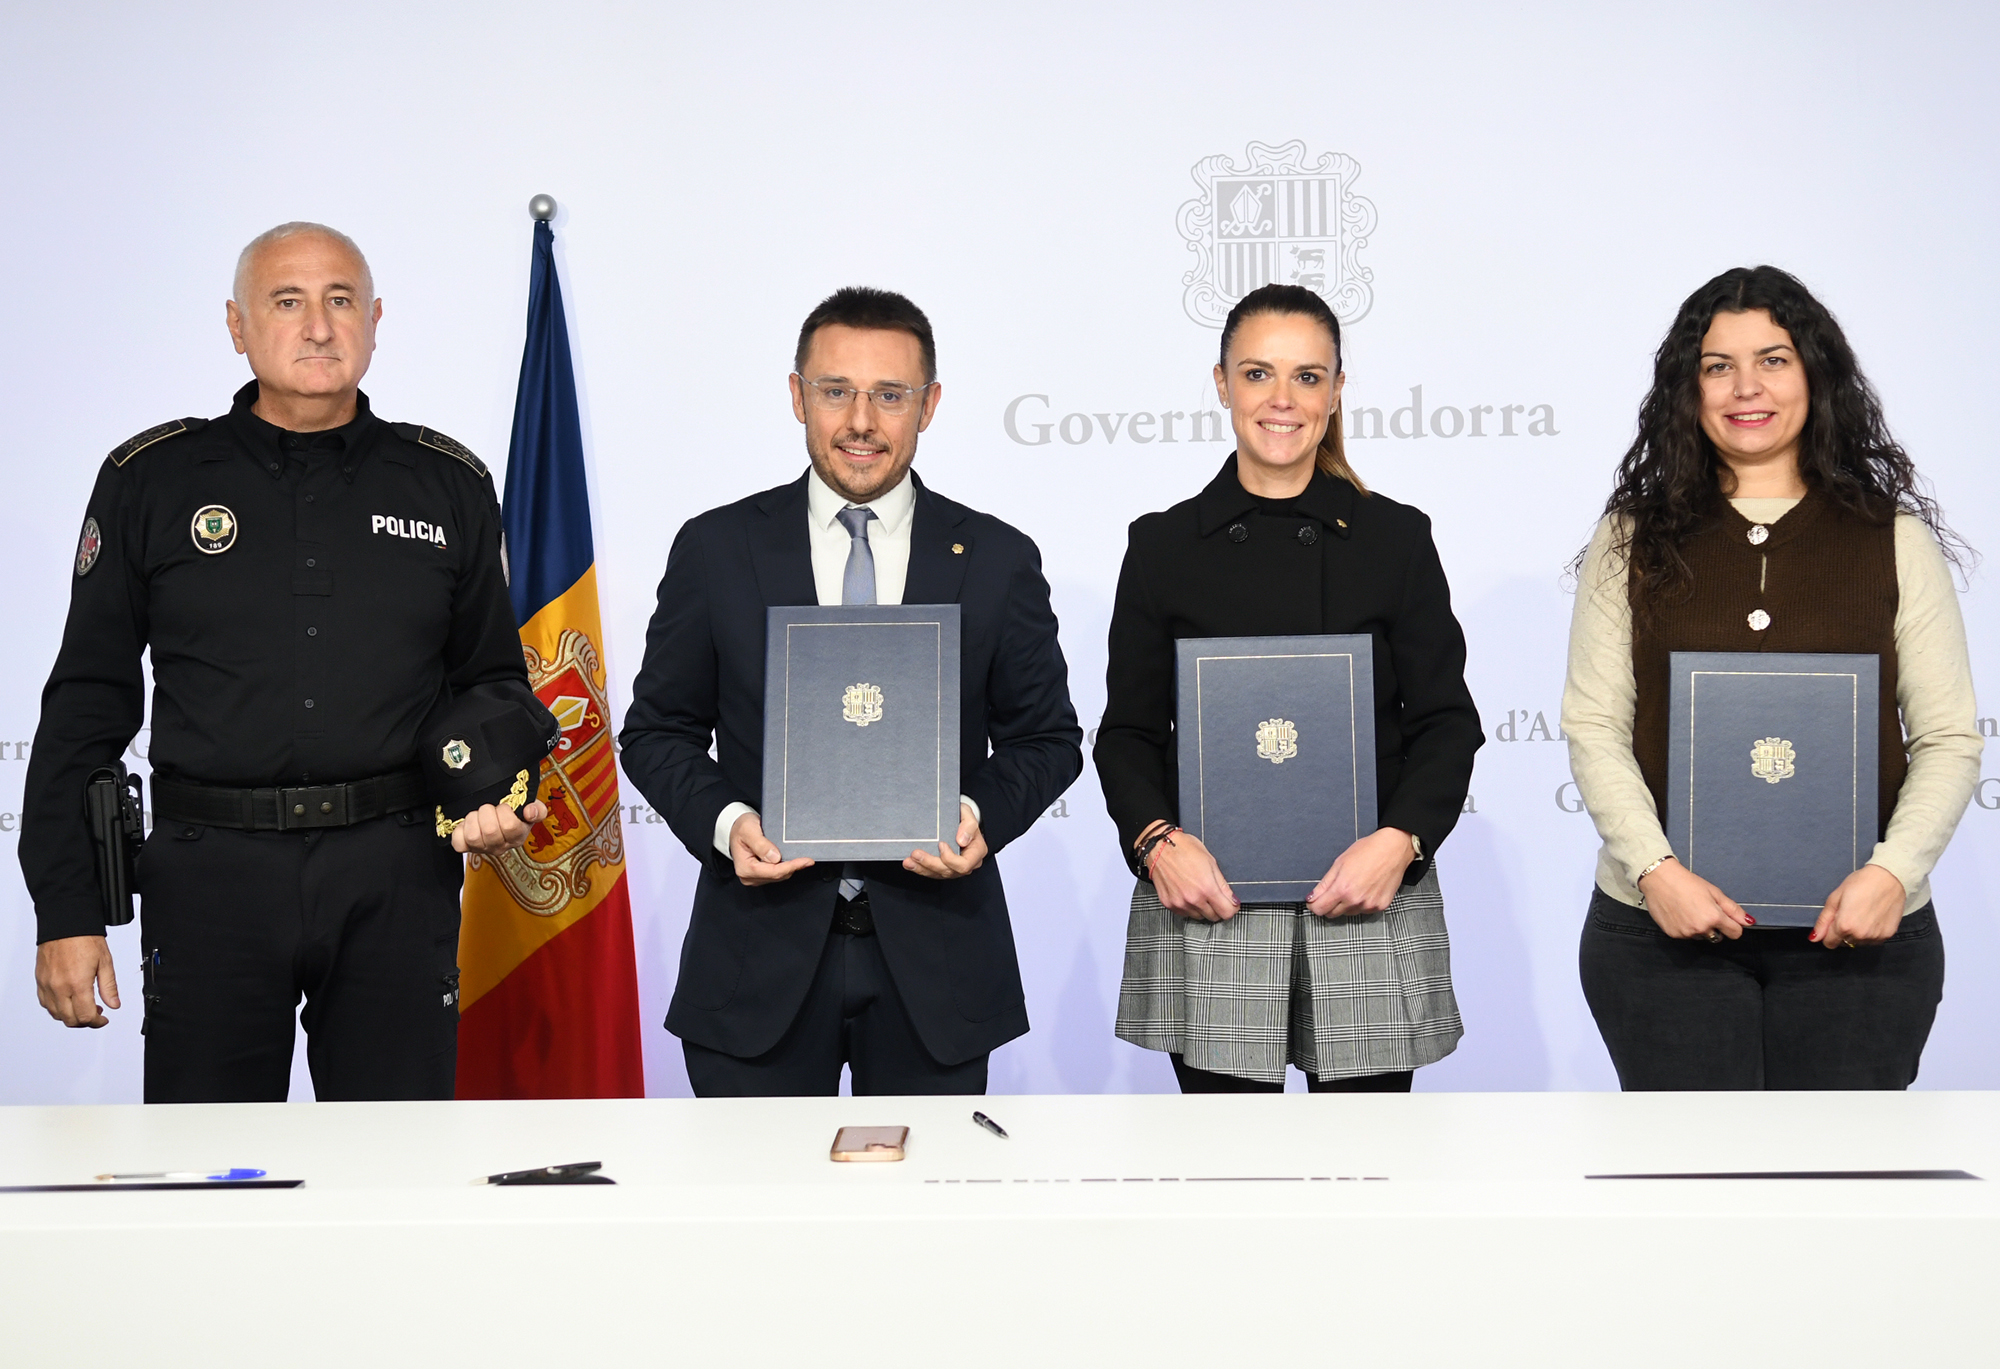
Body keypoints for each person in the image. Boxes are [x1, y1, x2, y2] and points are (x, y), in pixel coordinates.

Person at [21, 222, 548, 1102]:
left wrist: (497, 789)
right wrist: (66, 910)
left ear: (375, 320)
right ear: (237, 324)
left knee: (393, 1171)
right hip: (209, 876)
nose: (318, 326)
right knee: (206, 1178)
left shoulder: (448, 483)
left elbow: (492, 681)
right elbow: (84, 708)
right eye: (287, 301)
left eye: (340, 301)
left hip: (393, 873)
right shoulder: (150, 479)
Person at [619, 286, 1082, 1097]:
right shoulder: (717, 548)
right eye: (836, 391)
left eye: (890, 395)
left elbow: (1048, 739)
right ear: (797, 395)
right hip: (754, 960)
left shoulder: (998, 558)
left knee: (923, 1223)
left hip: (936, 964)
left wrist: (973, 815)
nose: (861, 420)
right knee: (756, 1219)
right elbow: (657, 730)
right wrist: (731, 827)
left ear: (929, 405)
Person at [1563, 265, 1982, 1091]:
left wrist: (1889, 874)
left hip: (1859, 939)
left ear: (1816, 374)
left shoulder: (1892, 538)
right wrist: (1658, 873)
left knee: (1841, 1203)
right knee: (1693, 1200)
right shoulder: (1630, 539)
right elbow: (1594, 727)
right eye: (1717, 365)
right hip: (1661, 939)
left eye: (1774, 359)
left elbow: (1947, 739)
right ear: (1688, 388)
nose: (1745, 386)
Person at [1096, 283, 1484, 1093]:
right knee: (1227, 1188)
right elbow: (1128, 732)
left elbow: (1447, 722)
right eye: (1258, 374)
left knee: (1372, 1184)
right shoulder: (1162, 546)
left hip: (1366, 890)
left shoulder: (1396, 539)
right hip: (1216, 899)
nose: (1283, 399)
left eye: (1309, 377)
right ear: (1221, 383)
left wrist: (1402, 842)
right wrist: (1156, 842)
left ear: (1339, 389)